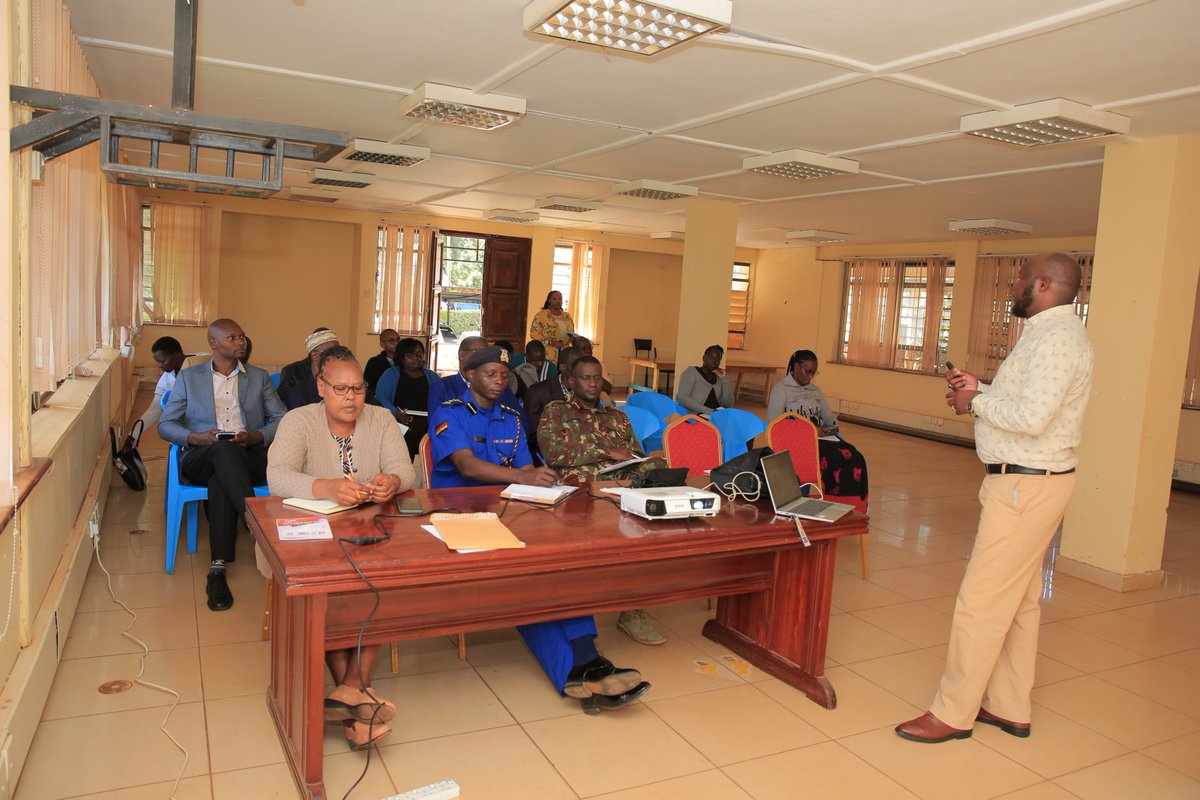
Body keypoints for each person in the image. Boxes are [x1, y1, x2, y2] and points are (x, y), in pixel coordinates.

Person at [895, 253, 1093, 744]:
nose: (1014, 286)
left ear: (1044, 284)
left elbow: (1031, 418)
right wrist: (979, 388)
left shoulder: (1057, 340)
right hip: (1031, 480)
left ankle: (953, 713)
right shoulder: (1048, 334)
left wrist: (975, 402)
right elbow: (1028, 401)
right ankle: (1008, 706)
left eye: (1022, 278)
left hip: (1027, 484)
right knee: (1021, 602)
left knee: (980, 602)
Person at [430, 346, 650, 711]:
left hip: (511, 513)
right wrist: (523, 475)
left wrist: (542, 481)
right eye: (489, 374)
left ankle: (586, 668)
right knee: (527, 588)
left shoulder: (511, 418)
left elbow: (526, 476)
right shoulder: (450, 414)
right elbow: (468, 467)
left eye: (503, 375)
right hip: (461, 517)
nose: (499, 381)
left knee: (557, 568)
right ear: (469, 375)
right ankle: (585, 666)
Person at [267, 346, 414, 750]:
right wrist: (326, 487)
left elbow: (406, 468)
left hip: (367, 528)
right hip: (311, 532)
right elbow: (277, 476)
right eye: (340, 389)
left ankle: (350, 689)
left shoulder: (381, 419)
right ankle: (358, 693)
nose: (351, 398)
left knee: (383, 580)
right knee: (329, 591)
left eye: (358, 389)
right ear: (321, 386)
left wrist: (391, 482)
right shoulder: (299, 421)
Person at [538, 355, 669, 647]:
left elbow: (633, 454)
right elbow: (554, 453)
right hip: (577, 497)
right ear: (571, 381)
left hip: (620, 492)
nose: (593, 383)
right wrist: (607, 452)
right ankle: (574, 617)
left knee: (642, 537)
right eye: (586, 378)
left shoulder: (617, 416)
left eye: (597, 378)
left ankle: (633, 612)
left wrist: (643, 463)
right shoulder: (556, 412)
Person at [158, 318, 286, 612]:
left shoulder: (258, 377)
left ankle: (217, 569)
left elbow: (281, 418)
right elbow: (166, 425)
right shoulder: (190, 378)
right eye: (232, 338)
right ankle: (253, 523)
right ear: (213, 343)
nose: (240, 342)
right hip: (201, 455)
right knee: (219, 451)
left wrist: (255, 435)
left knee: (223, 469)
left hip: (246, 453)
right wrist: (195, 436)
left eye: (242, 337)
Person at [767, 349, 869, 512]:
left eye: (813, 373)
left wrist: (831, 428)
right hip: (796, 442)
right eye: (807, 371)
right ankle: (834, 502)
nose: (810, 377)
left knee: (854, 456)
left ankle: (850, 504)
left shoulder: (815, 391)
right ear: (795, 366)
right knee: (837, 459)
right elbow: (774, 423)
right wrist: (811, 431)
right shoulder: (781, 390)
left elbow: (830, 418)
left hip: (822, 439)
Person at [374, 337, 440, 456]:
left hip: (427, 427)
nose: (416, 358)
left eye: (419, 354)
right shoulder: (391, 374)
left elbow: (441, 400)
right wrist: (395, 412)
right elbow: (381, 397)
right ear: (402, 357)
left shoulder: (432, 376)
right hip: (400, 425)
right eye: (410, 355)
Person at [278, 328, 340, 410]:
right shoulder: (292, 372)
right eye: (332, 352)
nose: (338, 355)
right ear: (314, 355)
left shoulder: (341, 371)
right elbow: (282, 406)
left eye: (339, 351)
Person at [525, 347, 581, 433]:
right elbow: (532, 433)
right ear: (563, 367)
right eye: (577, 367)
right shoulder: (537, 392)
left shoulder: (586, 392)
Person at [137, 336, 187, 429]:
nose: (160, 366)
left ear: (176, 354)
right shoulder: (166, 380)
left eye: (163, 361)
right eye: (158, 362)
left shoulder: (204, 362)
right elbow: (154, 410)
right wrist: (134, 434)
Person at [676, 344, 734, 415]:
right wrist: (709, 411)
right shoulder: (691, 372)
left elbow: (728, 404)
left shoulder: (718, 378)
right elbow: (682, 398)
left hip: (716, 415)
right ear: (703, 358)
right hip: (696, 416)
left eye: (717, 359)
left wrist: (724, 379)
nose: (714, 361)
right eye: (711, 357)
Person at [529, 290, 575, 364]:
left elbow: (572, 332)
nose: (557, 301)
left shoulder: (567, 316)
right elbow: (534, 334)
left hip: (564, 351)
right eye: (554, 299)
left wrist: (569, 340)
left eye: (560, 299)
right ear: (549, 300)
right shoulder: (541, 315)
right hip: (548, 351)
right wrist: (550, 342)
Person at [363, 328, 400, 397]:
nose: (396, 343)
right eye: (391, 341)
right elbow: (368, 386)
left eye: (398, 339)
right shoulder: (374, 362)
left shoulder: (404, 361)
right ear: (382, 344)